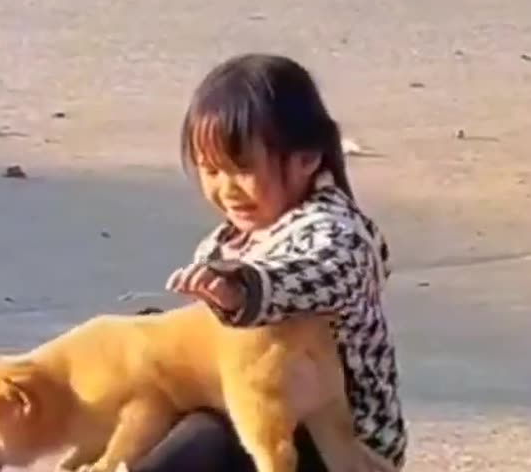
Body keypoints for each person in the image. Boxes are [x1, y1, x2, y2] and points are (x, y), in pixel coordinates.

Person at [132, 53, 407, 472]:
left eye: (242, 168)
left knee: (206, 441)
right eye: (211, 170)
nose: (226, 190)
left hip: (340, 449)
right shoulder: (221, 247)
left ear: (306, 158)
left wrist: (244, 288)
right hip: (253, 416)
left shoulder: (340, 233)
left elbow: (313, 273)